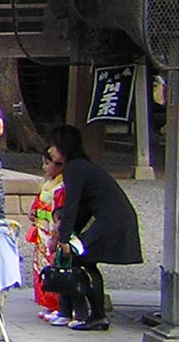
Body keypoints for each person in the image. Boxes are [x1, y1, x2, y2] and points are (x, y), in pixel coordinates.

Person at [46, 124, 143, 331]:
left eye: (53, 145)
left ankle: (94, 315)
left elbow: (72, 205)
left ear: (63, 146)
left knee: (81, 257)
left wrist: (64, 239)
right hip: (113, 218)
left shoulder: (74, 167)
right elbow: (82, 208)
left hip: (112, 220)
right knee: (81, 257)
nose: (49, 150)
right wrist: (69, 234)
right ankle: (77, 312)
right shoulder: (80, 166)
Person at [26, 150, 66, 321]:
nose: (44, 167)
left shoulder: (61, 185)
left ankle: (58, 305)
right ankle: (48, 304)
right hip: (41, 228)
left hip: (51, 229)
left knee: (53, 266)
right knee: (40, 268)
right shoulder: (49, 183)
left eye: (47, 163)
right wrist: (34, 211)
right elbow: (40, 200)